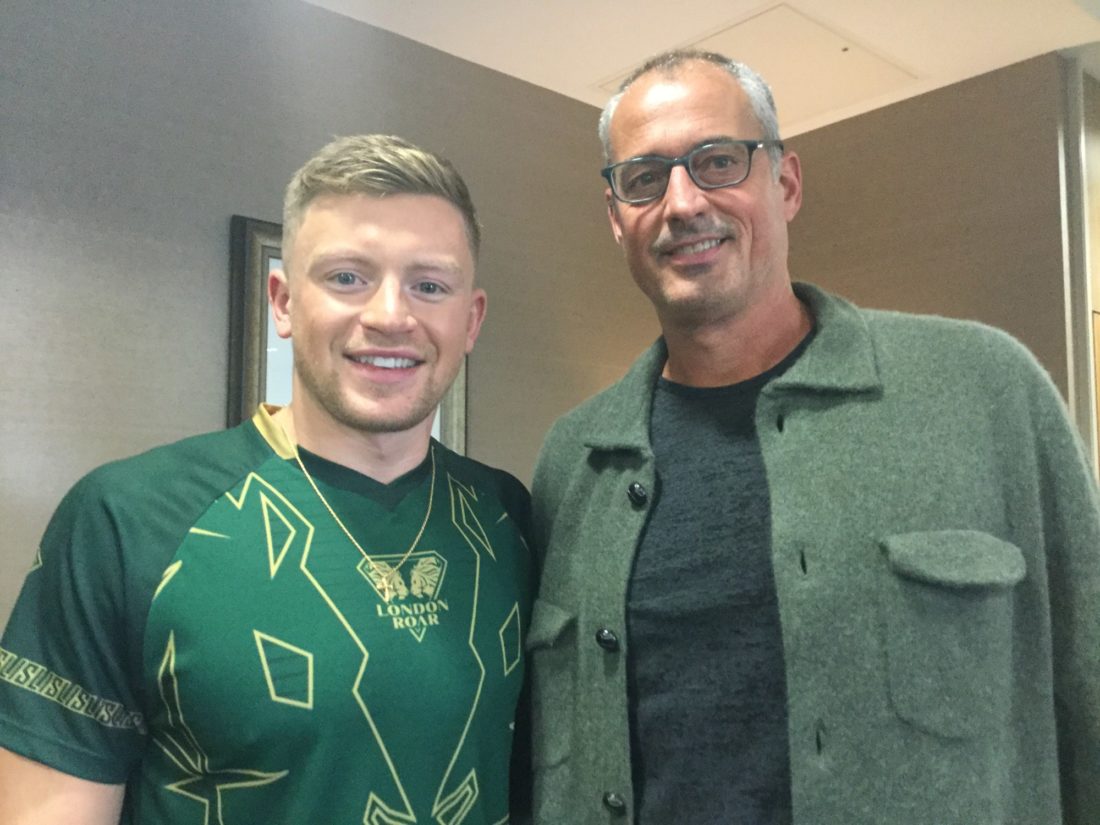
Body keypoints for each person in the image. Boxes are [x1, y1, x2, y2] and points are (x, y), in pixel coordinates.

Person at [528, 49, 1100, 825]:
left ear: (786, 182)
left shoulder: (984, 388)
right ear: (616, 217)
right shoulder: (575, 460)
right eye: (644, 178)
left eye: (718, 161)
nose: (683, 202)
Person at [0, 134, 535, 824]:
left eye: (429, 284)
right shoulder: (125, 519)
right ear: (283, 302)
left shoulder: (507, 516)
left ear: (471, 319)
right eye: (348, 277)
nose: (390, 315)